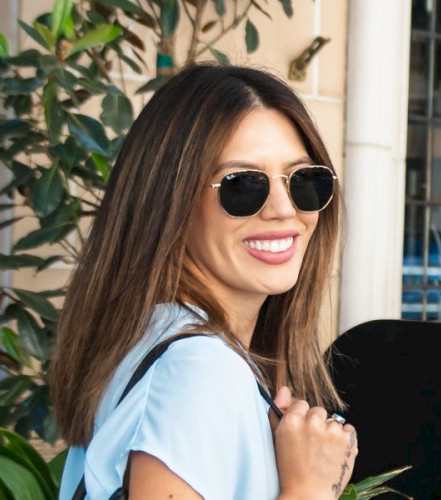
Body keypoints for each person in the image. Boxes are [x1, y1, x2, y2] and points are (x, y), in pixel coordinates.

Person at [50, 63, 357, 500]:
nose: (284, 209)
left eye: (305, 181)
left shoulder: (164, 342)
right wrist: (310, 488)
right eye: (242, 186)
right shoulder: (195, 370)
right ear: (170, 202)